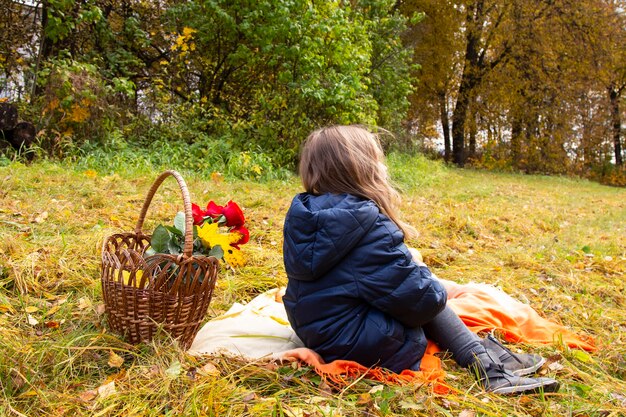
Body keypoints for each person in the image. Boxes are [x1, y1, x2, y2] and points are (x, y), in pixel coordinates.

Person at [282, 125, 559, 395]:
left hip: (316, 329)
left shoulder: (305, 217)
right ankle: (487, 367)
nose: (385, 168)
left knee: (409, 284)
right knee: (424, 292)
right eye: (379, 161)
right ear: (362, 170)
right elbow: (422, 302)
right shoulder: (368, 228)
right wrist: (421, 271)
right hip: (359, 343)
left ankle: (485, 352)